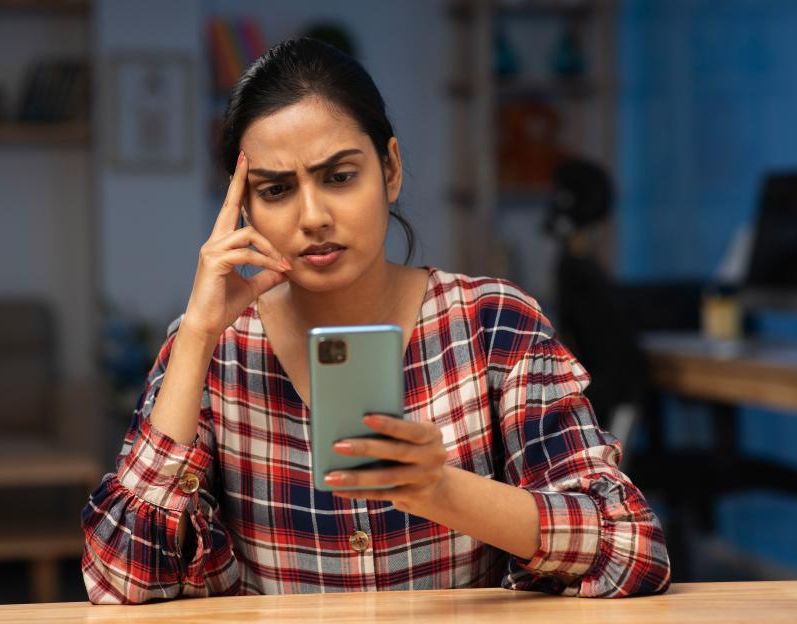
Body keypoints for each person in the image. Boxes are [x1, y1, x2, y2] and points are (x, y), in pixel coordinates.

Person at [81, 38, 670, 604]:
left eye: (339, 177)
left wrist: (442, 490)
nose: (313, 217)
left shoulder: (494, 323)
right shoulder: (213, 350)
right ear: (243, 208)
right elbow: (119, 581)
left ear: (390, 169)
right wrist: (198, 334)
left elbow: (632, 548)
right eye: (278, 189)